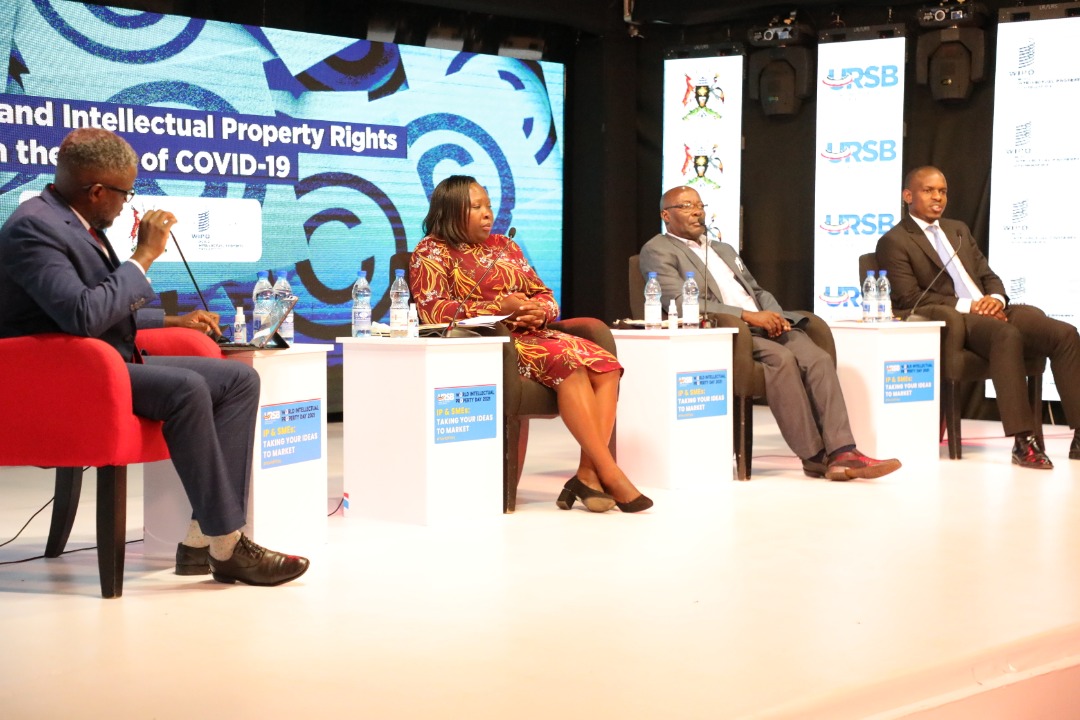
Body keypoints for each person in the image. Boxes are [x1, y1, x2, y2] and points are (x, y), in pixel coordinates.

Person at [0, 128, 308, 585]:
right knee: (187, 388)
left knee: (237, 380)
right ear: (97, 190)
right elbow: (83, 316)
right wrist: (142, 257)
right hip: (63, 378)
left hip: (103, 365)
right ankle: (228, 544)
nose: (129, 203)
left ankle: (201, 540)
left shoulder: (74, 220)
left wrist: (171, 322)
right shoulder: (34, 227)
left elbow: (94, 309)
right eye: (125, 192)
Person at [410, 175, 651, 512]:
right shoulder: (431, 251)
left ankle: (587, 473)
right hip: (494, 342)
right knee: (571, 367)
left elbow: (545, 295)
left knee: (606, 365)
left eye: (489, 206)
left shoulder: (504, 246)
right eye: (476, 207)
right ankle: (609, 472)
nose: (487, 214)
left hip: (536, 334)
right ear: (450, 210)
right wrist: (500, 310)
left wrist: (538, 313)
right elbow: (433, 310)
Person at [639, 185, 901, 481]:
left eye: (700, 205)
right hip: (729, 331)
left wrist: (774, 316)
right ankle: (814, 456)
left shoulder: (722, 249)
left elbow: (757, 290)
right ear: (666, 215)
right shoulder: (657, 249)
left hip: (762, 324)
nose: (697, 211)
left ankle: (843, 453)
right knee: (781, 360)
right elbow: (678, 300)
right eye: (686, 206)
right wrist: (749, 317)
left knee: (818, 358)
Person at [877, 166, 1080, 469]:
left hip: (991, 308)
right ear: (908, 196)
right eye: (928, 190)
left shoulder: (957, 229)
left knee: (1065, 334)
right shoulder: (894, 241)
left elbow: (988, 276)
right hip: (957, 319)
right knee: (1006, 335)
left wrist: (995, 300)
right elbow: (909, 299)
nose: (938, 197)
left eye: (942, 191)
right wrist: (970, 307)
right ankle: (1023, 441)